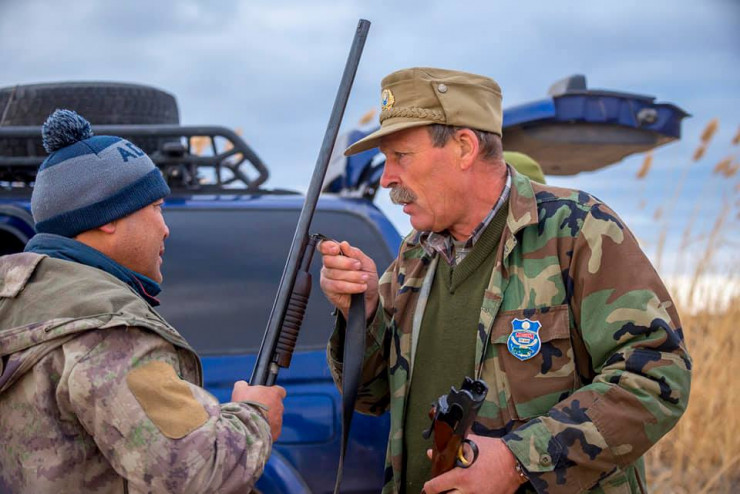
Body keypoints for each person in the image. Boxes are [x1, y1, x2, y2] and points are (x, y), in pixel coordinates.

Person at [318, 68, 691, 494]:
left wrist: (519, 461)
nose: (387, 178)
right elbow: (371, 397)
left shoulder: (577, 229)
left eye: (401, 156)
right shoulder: (413, 256)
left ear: (464, 147)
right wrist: (361, 313)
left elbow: (659, 376)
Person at [0, 109, 285, 493]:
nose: (165, 228)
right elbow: (193, 473)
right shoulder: (110, 332)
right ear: (108, 216)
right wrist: (255, 416)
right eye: (155, 207)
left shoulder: (15, 304)